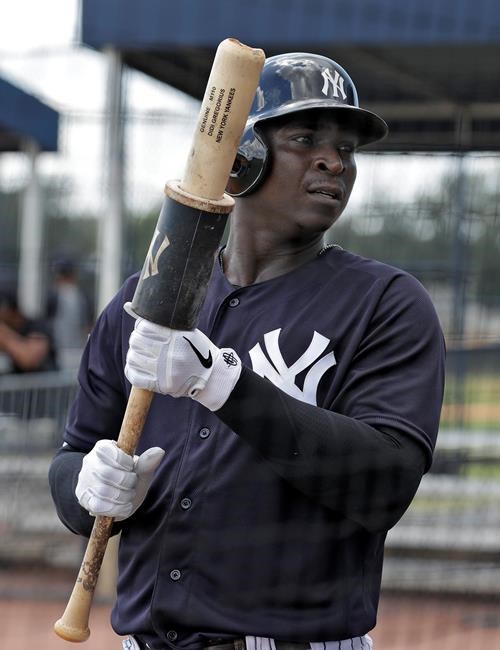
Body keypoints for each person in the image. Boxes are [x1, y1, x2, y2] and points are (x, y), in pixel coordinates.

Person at [49, 53, 445, 650]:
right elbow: (73, 454)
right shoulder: (145, 301)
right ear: (243, 157)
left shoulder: (385, 302)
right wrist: (87, 488)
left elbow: (385, 482)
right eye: (304, 138)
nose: (333, 161)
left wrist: (223, 385)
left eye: (347, 148)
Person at [47, 258, 91, 370]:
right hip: (78, 351)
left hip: (58, 351)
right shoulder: (82, 296)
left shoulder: (54, 294)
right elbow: (87, 327)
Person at [0, 288, 57, 374]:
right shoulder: (10, 329)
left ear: (12, 311)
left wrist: (5, 336)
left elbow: (29, 359)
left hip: (43, 382)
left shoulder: (36, 327)